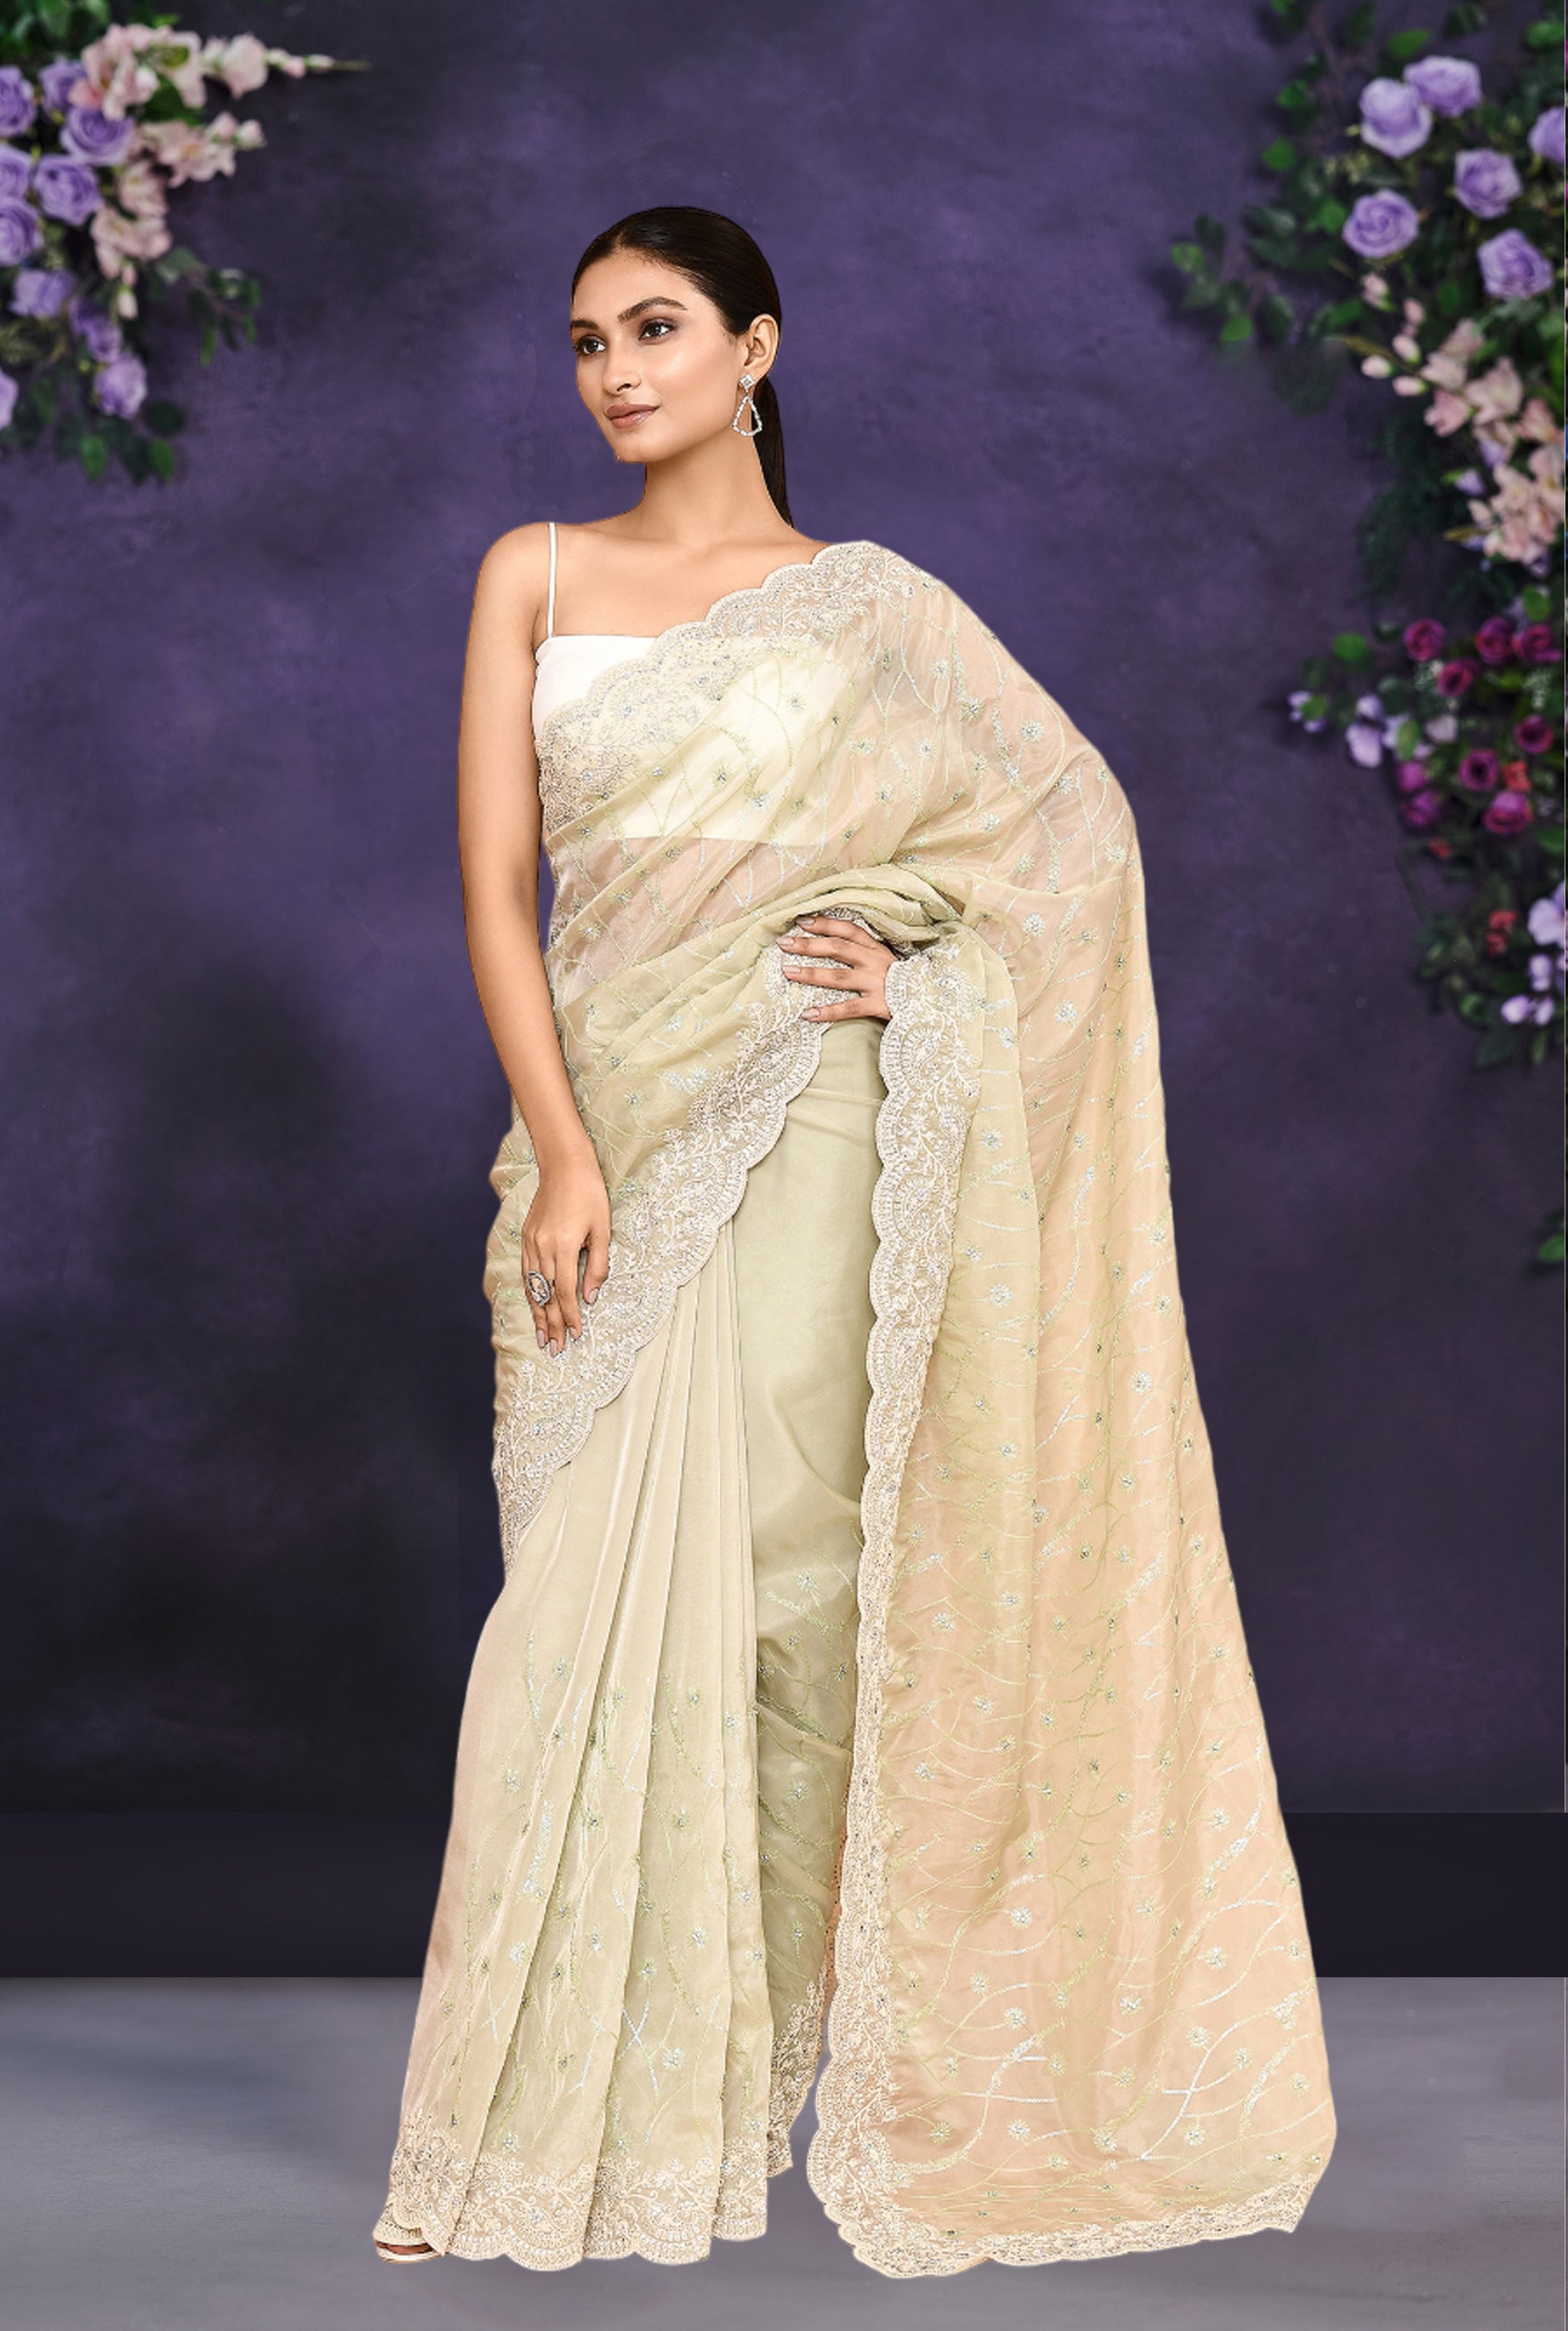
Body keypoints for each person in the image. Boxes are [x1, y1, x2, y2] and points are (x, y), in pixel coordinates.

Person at [372, 205, 1335, 2277]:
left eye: (655, 327)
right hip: (607, 1132)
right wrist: (564, 1151)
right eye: (585, 340)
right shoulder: (532, 574)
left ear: (756, 347)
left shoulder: (873, 612)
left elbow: (1069, 840)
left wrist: (931, 974)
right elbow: (494, 890)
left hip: (807, 1124)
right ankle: (504, 2133)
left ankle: (724, 2099)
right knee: (568, 1628)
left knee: (789, 1605)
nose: (614, 370)